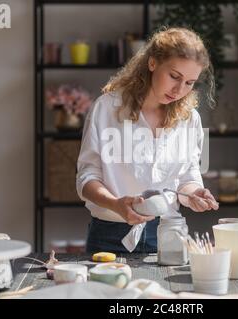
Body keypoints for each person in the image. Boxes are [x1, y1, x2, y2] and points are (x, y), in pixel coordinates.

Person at [76, 27, 219, 254]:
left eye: (190, 83)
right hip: (109, 235)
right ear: (152, 63)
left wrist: (194, 193)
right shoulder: (107, 108)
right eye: (174, 76)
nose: (179, 90)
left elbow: (187, 175)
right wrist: (116, 205)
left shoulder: (189, 119)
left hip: (168, 233)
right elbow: (87, 178)